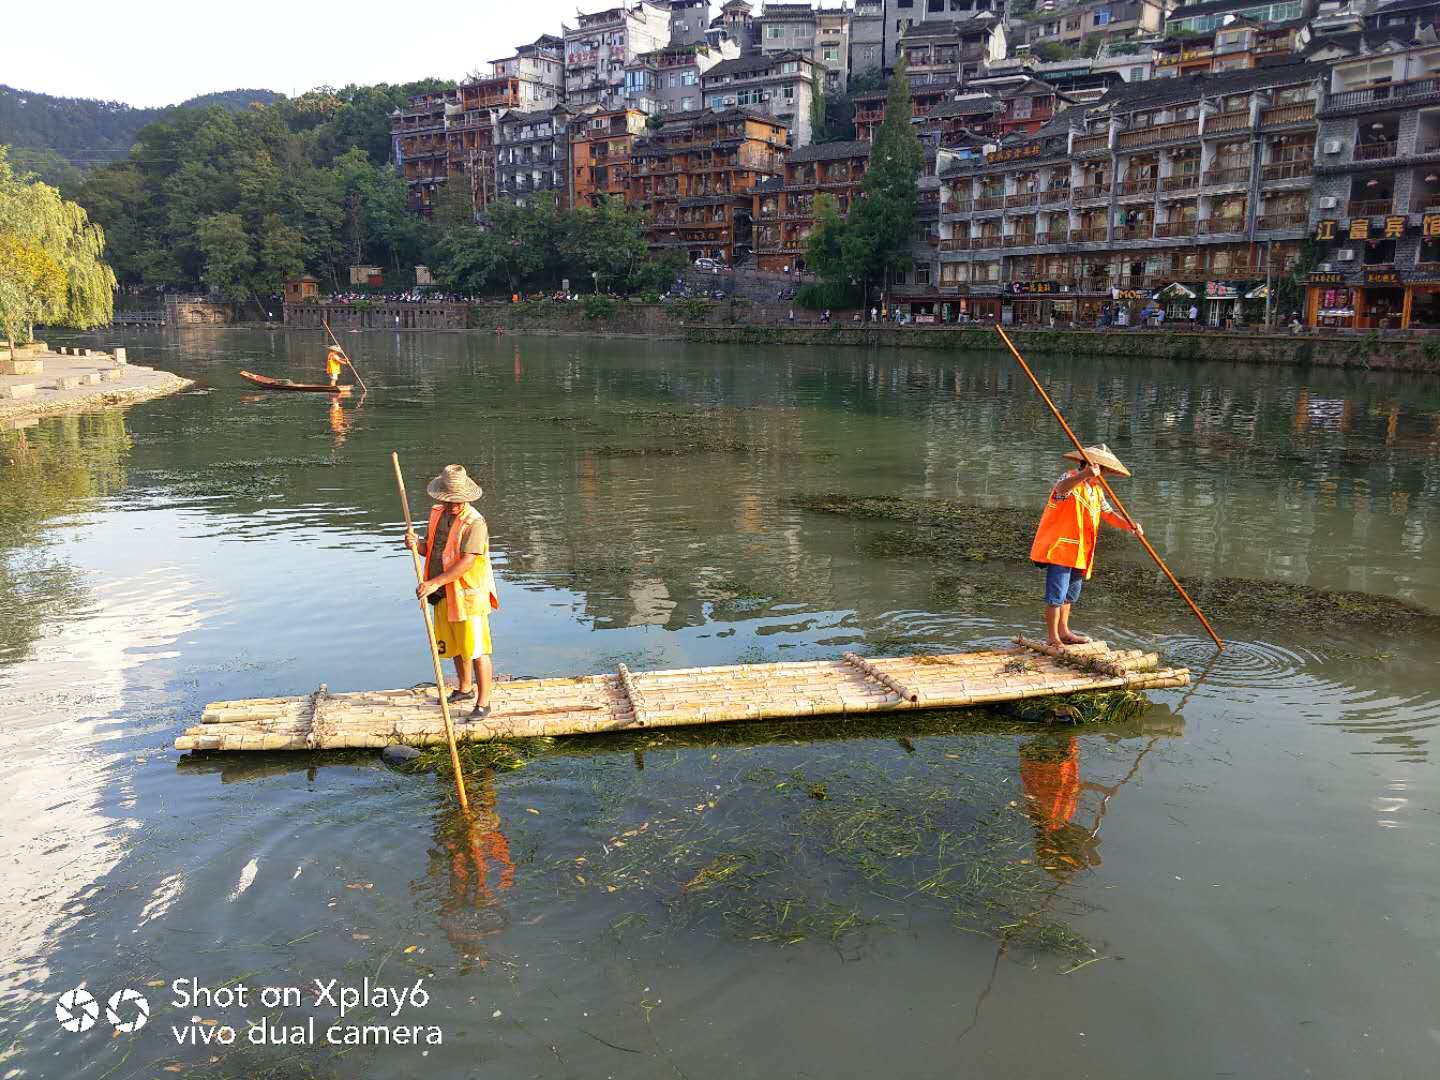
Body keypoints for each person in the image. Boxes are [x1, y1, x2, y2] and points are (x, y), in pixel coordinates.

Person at [404, 465, 500, 717]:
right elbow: (433, 549)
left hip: (468, 595)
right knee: (457, 646)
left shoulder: (475, 523)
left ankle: (483, 702)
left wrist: (434, 582)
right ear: (441, 498)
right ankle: (465, 687)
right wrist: (417, 545)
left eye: (459, 501)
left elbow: (466, 561)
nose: (455, 506)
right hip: (443, 593)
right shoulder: (437, 513)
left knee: (476, 648)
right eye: (450, 501)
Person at [1029, 444, 1143, 649]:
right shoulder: (1069, 478)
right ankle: (1053, 637)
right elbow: (1060, 490)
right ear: (1093, 467)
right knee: (1056, 595)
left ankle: (1064, 631)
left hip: (1081, 550)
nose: (1103, 476)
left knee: (1070, 594)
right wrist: (1083, 475)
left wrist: (1129, 525)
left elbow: (1107, 513)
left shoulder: (1096, 491)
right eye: (1103, 472)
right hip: (1061, 548)